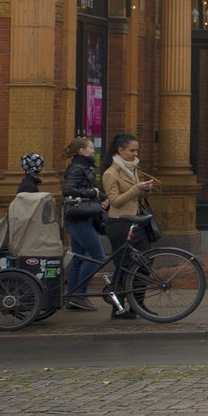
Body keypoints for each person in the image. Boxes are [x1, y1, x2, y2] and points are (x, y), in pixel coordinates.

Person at [98, 133, 153, 318]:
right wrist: (136, 189)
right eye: (131, 150)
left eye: (137, 150)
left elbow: (134, 196)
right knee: (124, 265)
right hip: (119, 223)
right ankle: (118, 308)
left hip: (135, 221)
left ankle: (137, 304)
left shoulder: (132, 168)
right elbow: (115, 201)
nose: (135, 154)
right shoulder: (110, 173)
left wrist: (144, 190)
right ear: (120, 150)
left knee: (144, 262)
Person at [59, 136, 108, 311]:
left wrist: (101, 197)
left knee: (78, 259)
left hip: (78, 219)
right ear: (81, 151)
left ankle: (73, 297)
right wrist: (92, 193)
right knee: (98, 256)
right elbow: (68, 190)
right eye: (89, 148)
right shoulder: (78, 168)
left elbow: (89, 191)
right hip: (78, 220)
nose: (92, 151)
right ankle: (79, 293)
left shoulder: (82, 166)